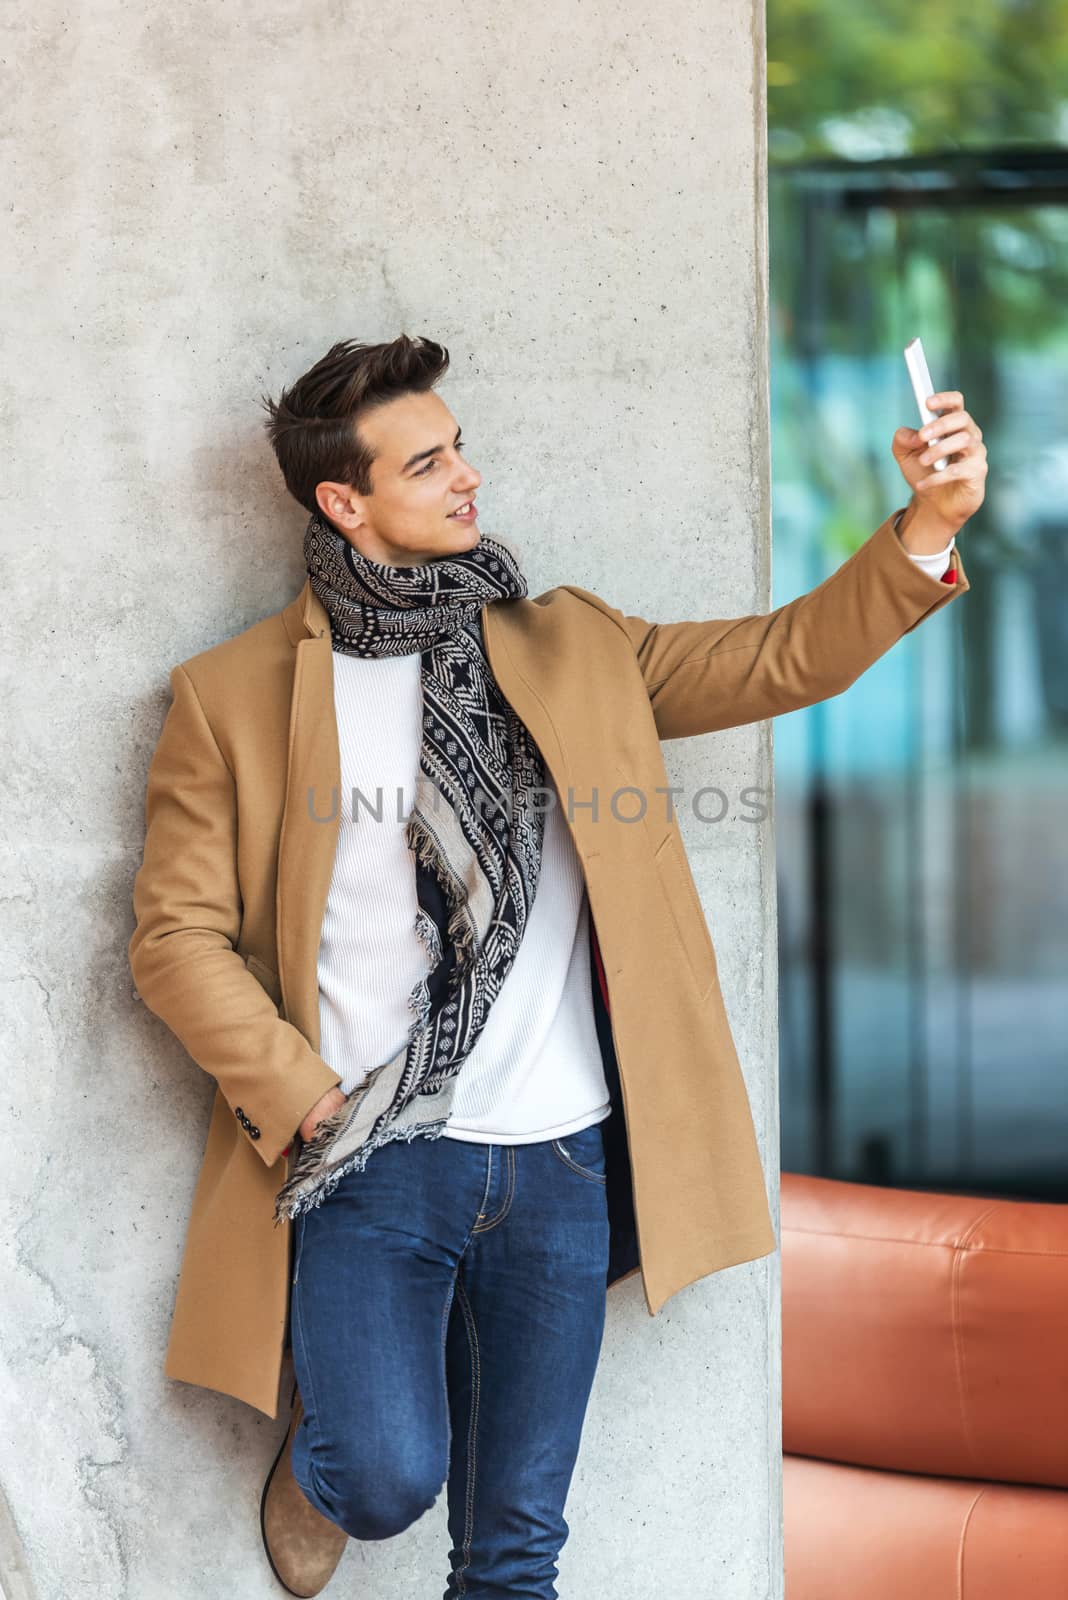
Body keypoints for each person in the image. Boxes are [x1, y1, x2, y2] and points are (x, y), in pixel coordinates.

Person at [127, 334, 985, 1597]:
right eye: (428, 463)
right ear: (343, 501)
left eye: (460, 443)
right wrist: (309, 1097)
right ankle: (320, 1466)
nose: (468, 475)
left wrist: (927, 522)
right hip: (371, 1150)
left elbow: (781, 656)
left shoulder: (569, 643)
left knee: (517, 1549)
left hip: (561, 1157)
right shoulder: (235, 695)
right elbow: (175, 935)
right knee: (386, 1478)